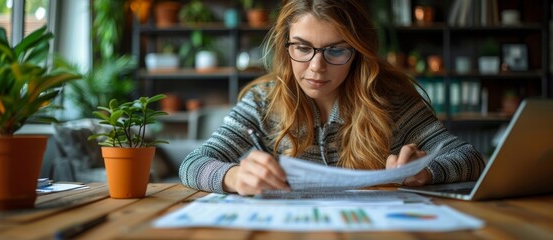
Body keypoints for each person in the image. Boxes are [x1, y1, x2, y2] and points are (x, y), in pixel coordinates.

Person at [179, 0, 485, 195]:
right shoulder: (263, 101)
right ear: (285, 46)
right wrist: (233, 176)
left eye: (336, 50)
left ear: (358, 52)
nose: (316, 67)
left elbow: (470, 158)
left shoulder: (391, 101)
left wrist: (427, 171)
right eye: (302, 47)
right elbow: (193, 164)